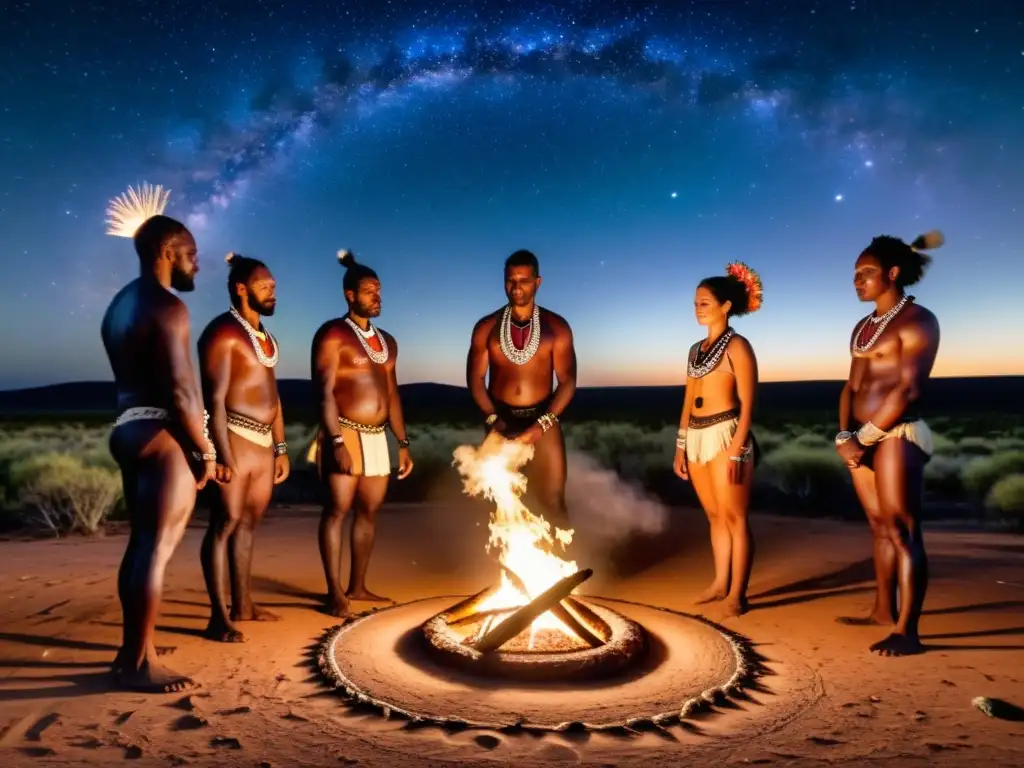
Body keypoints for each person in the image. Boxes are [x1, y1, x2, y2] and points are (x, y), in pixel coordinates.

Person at [101, 193, 230, 693]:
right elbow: (180, 390)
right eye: (192, 253)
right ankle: (137, 663)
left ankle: (136, 646)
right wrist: (205, 451)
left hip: (128, 429)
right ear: (167, 250)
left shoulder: (120, 305)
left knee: (140, 545)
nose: (197, 263)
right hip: (162, 434)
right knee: (155, 550)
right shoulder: (169, 307)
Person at [835, 230, 943, 657]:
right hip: (858, 441)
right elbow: (851, 386)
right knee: (879, 527)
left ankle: (907, 631)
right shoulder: (863, 328)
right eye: (855, 274)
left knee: (902, 531)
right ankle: (883, 610)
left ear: (893, 273)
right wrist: (844, 435)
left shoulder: (919, 322)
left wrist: (863, 438)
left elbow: (908, 390)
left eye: (866, 273)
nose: (857, 281)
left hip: (897, 435)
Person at [307, 249, 414, 617]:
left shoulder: (388, 342)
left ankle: (358, 586)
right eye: (369, 291)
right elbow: (322, 391)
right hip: (345, 432)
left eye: (379, 290)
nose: (377, 297)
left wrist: (402, 443)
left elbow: (393, 393)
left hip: (378, 436)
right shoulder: (332, 334)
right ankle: (334, 592)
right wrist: (335, 441)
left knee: (369, 510)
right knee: (337, 509)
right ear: (350, 295)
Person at [197, 253, 290, 643]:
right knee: (225, 524)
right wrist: (220, 454)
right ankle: (218, 616)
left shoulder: (266, 338)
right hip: (233, 436)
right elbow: (213, 400)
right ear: (241, 288)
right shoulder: (221, 333)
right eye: (264, 285)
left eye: (273, 285)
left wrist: (281, 446)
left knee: (248, 524)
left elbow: (275, 396)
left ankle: (244, 605)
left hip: (264, 444)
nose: (273, 290)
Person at [673, 262, 763, 618]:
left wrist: (739, 446)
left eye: (705, 302)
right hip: (695, 436)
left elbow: (749, 401)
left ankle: (737, 595)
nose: (698, 308)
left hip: (727, 434)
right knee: (714, 515)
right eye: (695, 303)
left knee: (735, 516)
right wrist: (681, 445)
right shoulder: (696, 350)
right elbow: (687, 399)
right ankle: (719, 582)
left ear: (726, 306)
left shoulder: (738, 347)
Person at [466, 249, 578, 532]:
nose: (517, 287)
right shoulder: (486, 328)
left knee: (553, 499)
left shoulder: (557, 327)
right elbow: (475, 380)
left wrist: (540, 427)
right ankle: (509, 572)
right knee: (502, 499)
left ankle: (566, 568)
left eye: (524, 280)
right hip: (500, 419)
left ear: (537, 282)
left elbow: (567, 381)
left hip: (543, 419)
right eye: (510, 280)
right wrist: (495, 420)